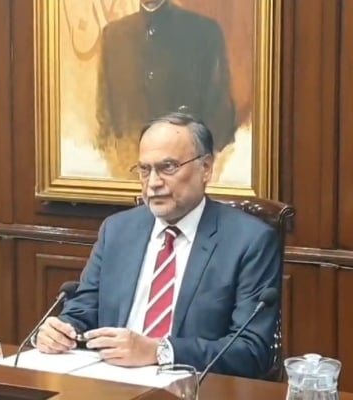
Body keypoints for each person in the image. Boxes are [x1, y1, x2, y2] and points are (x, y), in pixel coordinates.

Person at [36, 112, 281, 379]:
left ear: (206, 168)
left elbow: (251, 351)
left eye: (168, 167)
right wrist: (60, 330)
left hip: (194, 388)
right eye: (145, 170)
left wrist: (158, 351)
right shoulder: (117, 231)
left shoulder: (249, 240)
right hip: (110, 383)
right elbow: (82, 311)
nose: (153, 183)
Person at [96, 0, 236, 177]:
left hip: (186, 174)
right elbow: (105, 111)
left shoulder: (204, 32)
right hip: (127, 172)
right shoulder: (113, 36)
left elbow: (220, 112)